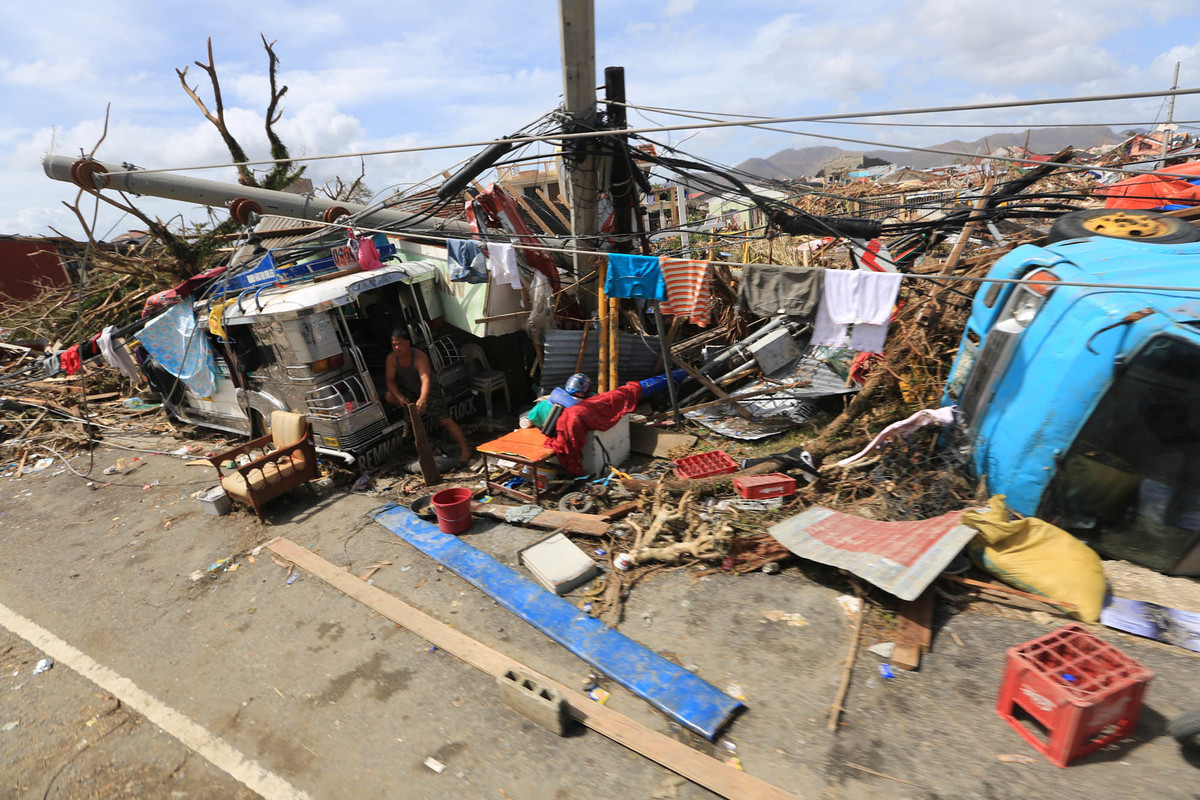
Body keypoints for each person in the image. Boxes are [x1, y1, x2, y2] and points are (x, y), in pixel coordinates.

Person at [384, 330, 472, 462]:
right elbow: (390, 380)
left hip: (429, 390)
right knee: (389, 396)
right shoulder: (392, 358)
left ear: (408, 343)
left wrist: (423, 399)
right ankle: (411, 410)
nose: (397, 348)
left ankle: (465, 449)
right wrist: (399, 397)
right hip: (409, 390)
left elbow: (426, 380)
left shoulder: (419, 356)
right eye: (394, 345)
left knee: (445, 420)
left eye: (400, 344)